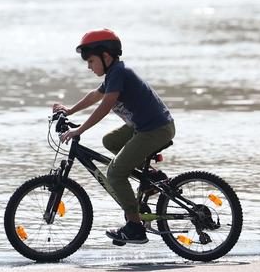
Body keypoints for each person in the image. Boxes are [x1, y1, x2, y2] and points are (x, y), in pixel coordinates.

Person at [52, 29, 175, 245]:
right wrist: (69, 111)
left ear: (106, 56)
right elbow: (95, 96)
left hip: (155, 129)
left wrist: (79, 130)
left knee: (115, 173)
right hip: (145, 126)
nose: (89, 66)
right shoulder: (114, 73)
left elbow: (105, 105)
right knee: (110, 141)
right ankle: (151, 179)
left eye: (90, 61)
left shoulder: (119, 72)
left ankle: (135, 227)